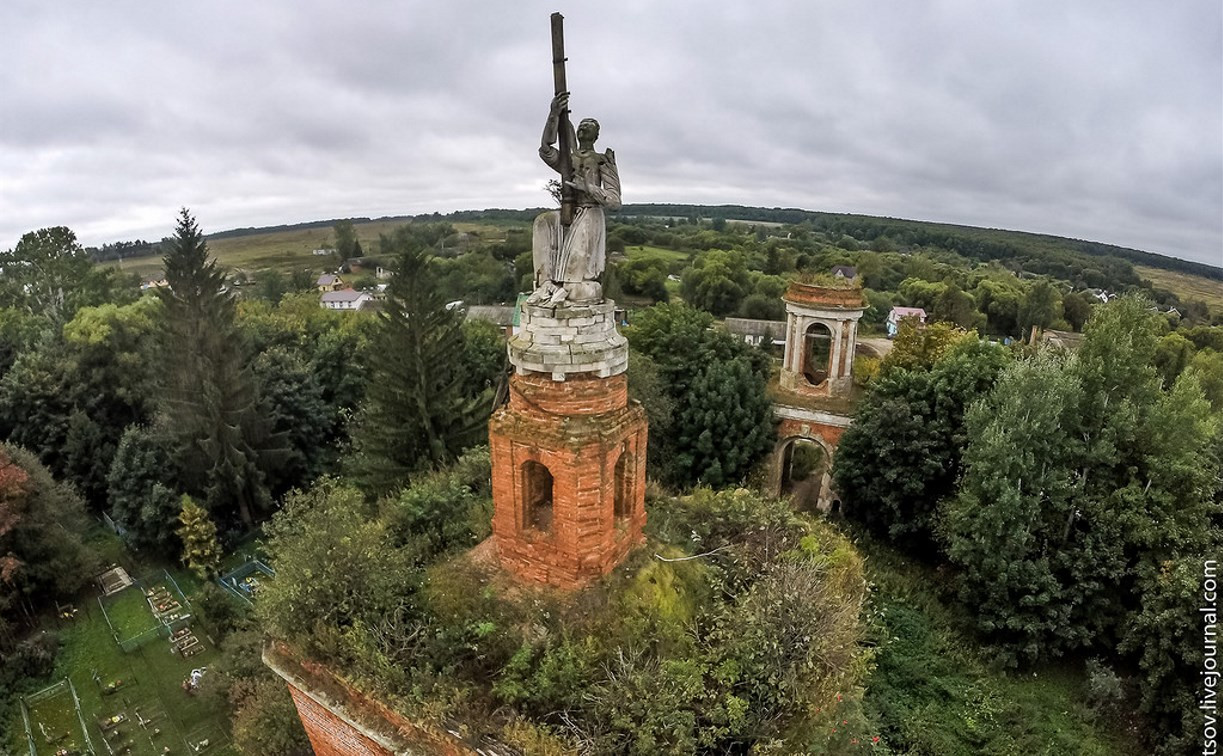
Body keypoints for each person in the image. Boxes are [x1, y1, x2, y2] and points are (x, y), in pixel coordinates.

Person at [528, 91, 621, 306]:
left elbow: (615, 201)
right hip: (569, 209)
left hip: (590, 212)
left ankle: (568, 288)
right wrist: (553, 115)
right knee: (543, 222)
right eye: (581, 124)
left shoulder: (601, 160)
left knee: (575, 281)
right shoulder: (569, 158)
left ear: (596, 135)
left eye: (589, 125)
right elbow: (545, 151)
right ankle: (545, 283)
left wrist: (587, 187)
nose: (583, 127)